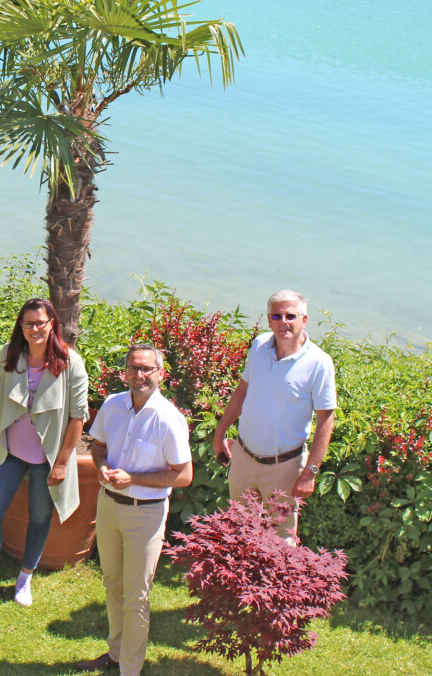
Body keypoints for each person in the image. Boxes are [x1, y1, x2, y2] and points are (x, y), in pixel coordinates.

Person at [0, 298, 87, 609]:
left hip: (47, 459)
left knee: (41, 516)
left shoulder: (72, 363)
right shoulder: (9, 355)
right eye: (28, 323)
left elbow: (77, 417)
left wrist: (62, 462)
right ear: (21, 325)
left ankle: (24, 578)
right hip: (9, 454)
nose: (35, 328)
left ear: (52, 324)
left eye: (41, 322)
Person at [76, 343, 192, 674]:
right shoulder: (113, 405)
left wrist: (134, 478)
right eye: (132, 368)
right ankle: (115, 654)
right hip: (109, 506)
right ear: (124, 372)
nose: (138, 375)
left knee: (136, 597)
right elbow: (98, 447)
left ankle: (130, 668)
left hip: (146, 513)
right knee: (113, 584)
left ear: (160, 374)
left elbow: (183, 475)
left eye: (146, 369)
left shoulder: (169, 419)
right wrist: (100, 468)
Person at [212, 289, 337, 537]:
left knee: (280, 543)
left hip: (285, 468)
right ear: (269, 320)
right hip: (243, 459)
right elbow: (242, 390)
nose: (283, 322)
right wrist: (220, 433)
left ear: (304, 319)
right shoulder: (259, 346)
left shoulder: (319, 363)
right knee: (238, 531)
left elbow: (326, 420)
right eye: (276, 316)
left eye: (290, 316)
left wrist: (310, 471)